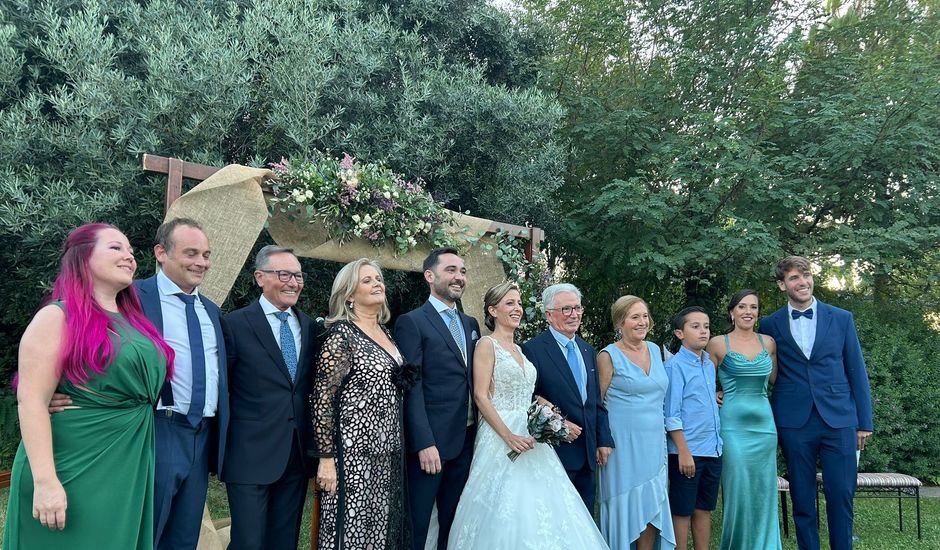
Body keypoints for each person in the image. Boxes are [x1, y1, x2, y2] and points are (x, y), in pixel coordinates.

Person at [48, 217, 229, 550]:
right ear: (161, 252)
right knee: (143, 533)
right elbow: (75, 332)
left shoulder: (212, 312)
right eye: (191, 253)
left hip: (202, 437)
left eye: (205, 254)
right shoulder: (129, 297)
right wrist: (52, 390)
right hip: (152, 429)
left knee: (184, 537)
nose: (201, 262)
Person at [4, 223, 174, 549]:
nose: (129, 256)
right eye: (115, 248)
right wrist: (46, 482)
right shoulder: (57, 317)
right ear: (83, 257)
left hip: (126, 462)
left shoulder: (136, 322)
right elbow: (32, 400)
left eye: (129, 250)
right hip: (73, 465)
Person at [448, 281, 609, 549]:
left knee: (545, 506)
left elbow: (529, 394)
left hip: (531, 435)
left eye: (519, 303)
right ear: (493, 310)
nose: (517, 308)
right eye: (509, 303)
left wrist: (547, 411)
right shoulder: (487, 345)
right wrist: (508, 436)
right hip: (501, 435)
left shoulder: (521, 350)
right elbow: (481, 396)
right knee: (506, 506)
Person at [759, 256, 873, 550]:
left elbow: (856, 371)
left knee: (841, 494)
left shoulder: (842, 317)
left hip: (840, 419)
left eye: (806, 275)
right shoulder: (770, 324)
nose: (802, 282)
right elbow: (760, 367)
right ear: (782, 284)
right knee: (802, 497)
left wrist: (864, 423)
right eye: (794, 278)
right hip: (794, 421)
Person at [311, 258, 414, 549]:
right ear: (349, 294)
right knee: (350, 530)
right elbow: (322, 401)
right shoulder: (340, 335)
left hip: (388, 451)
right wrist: (327, 459)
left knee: (378, 531)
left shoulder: (387, 334)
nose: (377, 283)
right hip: (352, 453)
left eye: (378, 278)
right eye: (367, 280)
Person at [221, 245, 318, 550]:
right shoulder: (234, 325)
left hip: (296, 452)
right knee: (248, 542)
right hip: (249, 453)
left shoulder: (310, 327)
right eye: (284, 274)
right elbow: (223, 388)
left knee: (284, 540)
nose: (293, 282)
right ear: (260, 277)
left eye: (298, 275)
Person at [394, 247, 480, 550]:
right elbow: (411, 387)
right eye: (451, 270)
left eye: (463, 271)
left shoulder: (470, 324)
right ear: (430, 277)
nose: (459, 277)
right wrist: (423, 442)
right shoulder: (412, 322)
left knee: (454, 523)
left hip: (466, 439)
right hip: (430, 445)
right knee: (417, 525)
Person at [521, 283, 614, 511]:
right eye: (566, 309)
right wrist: (559, 424)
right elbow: (529, 398)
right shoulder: (532, 350)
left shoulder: (587, 350)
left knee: (585, 521)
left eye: (577, 308)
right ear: (549, 315)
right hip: (555, 451)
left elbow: (594, 401)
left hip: (588, 452)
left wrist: (603, 439)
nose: (574, 314)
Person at [597, 296, 675, 550]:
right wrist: (602, 441)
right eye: (635, 317)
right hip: (621, 445)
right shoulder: (608, 356)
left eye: (645, 316)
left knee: (653, 500)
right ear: (620, 322)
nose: (643, 322)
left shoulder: (655, 350)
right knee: (625, 503)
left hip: (654, 442)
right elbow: (598, 405)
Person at [706, 290, 781, 550]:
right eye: (741, 306)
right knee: (738, 491)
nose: (748, 311)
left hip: (765, 427)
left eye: (753, 307)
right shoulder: (717, 343)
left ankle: (766, 545)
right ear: (732, 311)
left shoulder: (768, 343)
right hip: (733, 427)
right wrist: (714, 392)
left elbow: (776, 381)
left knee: (763, 491)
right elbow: (700, 382)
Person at [664, 306, 722, 550]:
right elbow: (671, 414)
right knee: (682, 511)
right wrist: (683, 451)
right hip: (687, 452)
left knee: (704, 507)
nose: (703, 331)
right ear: (680, 333)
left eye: (706, 326)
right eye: (695, 326)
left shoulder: (708, 364)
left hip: (713, 449)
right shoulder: (674, 367)